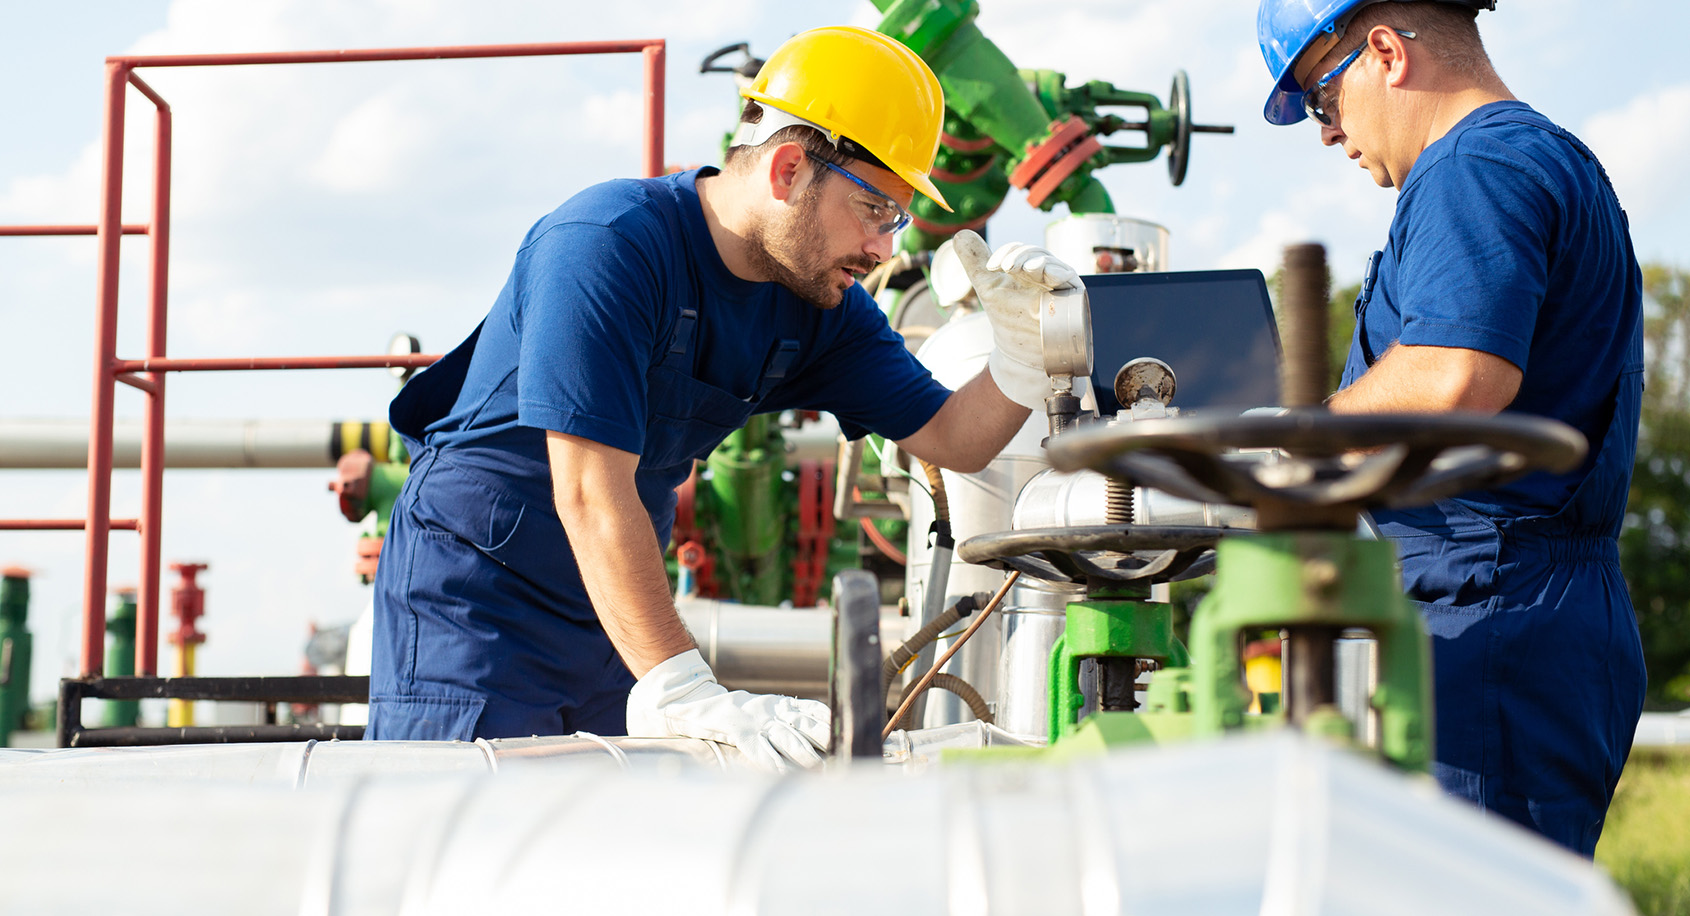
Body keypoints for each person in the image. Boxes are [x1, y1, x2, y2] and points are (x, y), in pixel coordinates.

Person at [367, 25, 1081, 771]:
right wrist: (684, 688)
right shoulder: (606, 244)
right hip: (476, 602)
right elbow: (586, 489)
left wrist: (1021, 356)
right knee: (460, 822)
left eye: (896, 220)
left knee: (596, 834)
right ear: (788, 169)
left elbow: (955, 438)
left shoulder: (818, 307)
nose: (885, 249)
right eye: (875, 210)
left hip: (616, 614)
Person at [1257, 0, 1646, 854]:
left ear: (1386, 52)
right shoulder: (1540, 156)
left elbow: (1455, 373)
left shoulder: (1473, 166)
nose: (1327, 133)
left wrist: (1295, 440)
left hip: (1491, 613)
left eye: (1322, 99)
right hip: (1525, 607)